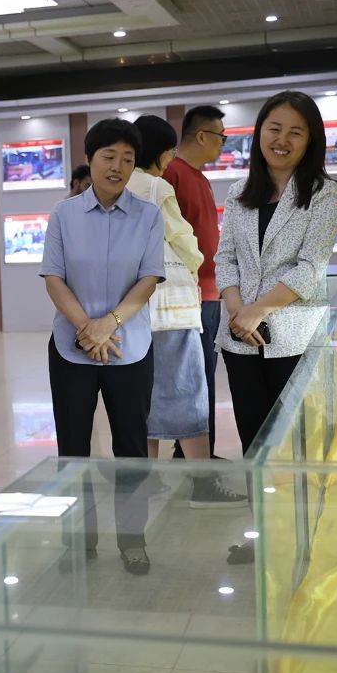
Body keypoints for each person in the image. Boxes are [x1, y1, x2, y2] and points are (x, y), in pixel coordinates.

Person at [214, 92, 337, 565]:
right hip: (241, 342)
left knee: (297, 445)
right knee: (254, 445)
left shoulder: (323, 193)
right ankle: (264, 535)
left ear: (310, 140)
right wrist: (238, 311)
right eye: (274, 128)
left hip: (295, 338)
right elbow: (225, 259)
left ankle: (304, 540)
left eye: (295, 131)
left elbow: (311, 266)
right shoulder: (239, 193)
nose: (282, 140)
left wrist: (259, 310)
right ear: (259, 133)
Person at [42, 119, 165, 575]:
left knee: (131, 449)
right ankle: (78, 541)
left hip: (129, 347)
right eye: (109, 157)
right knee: (73, 450)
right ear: (90, 159)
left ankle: (132, 539)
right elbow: (54, 278)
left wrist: (107, 324)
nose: (118, 167)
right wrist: (86, 328)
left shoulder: (148, 215)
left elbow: (148, 279)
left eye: (127, 159)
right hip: (71, 346)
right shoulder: (64, 214)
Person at [127, 116, 215, 468]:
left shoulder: (117, 186)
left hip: (133, 308)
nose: (171, 158)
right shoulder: (156, 188)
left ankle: (145, 483)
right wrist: (197, 263)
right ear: (160, 152)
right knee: (187, 391)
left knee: (142, 401)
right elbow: (182, 238)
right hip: (171, 306)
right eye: (169, 151)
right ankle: (202, 480)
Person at [164, 105, 227, 460]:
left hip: (210, 294)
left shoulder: (200, 178)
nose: (223, 145)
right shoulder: (173, 173)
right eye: (221, 137)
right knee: (195, 379)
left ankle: (196, 454)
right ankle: (196, 458)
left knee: (204, 376)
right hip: (191, 296)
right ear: (202, 136)